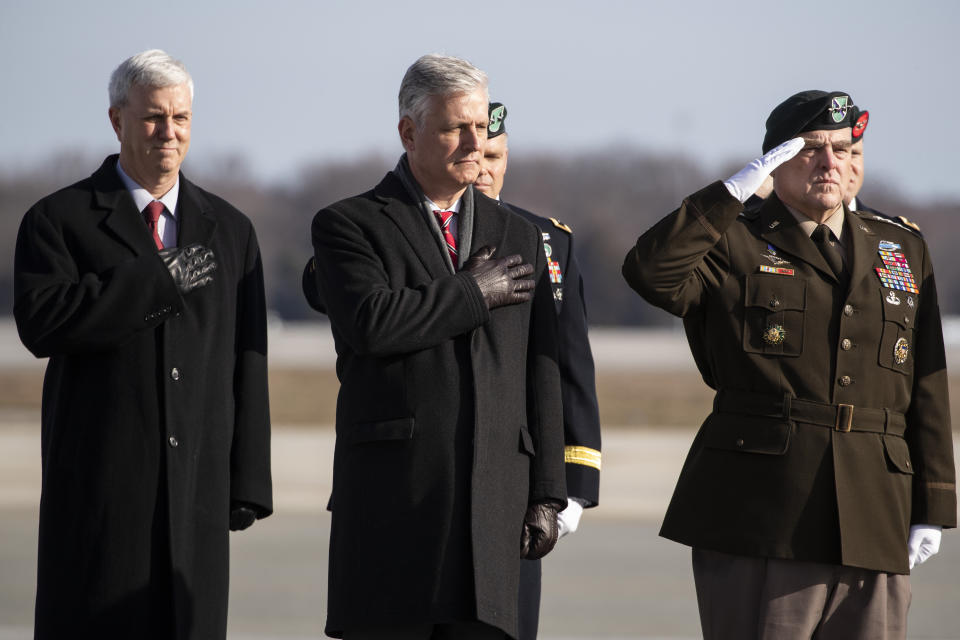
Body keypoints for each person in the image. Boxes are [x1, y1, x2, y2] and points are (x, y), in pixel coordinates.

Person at [622, 90, 955, 639]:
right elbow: (651, 273)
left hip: (877, 510)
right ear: (775, 160)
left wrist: (934, 502)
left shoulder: (901, 246)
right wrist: (730, 194)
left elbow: (926, 382)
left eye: (848, 151)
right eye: (813, 149)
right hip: (764, 512)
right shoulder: (734, 238)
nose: (833, 163)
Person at [13, 49, 273, 640]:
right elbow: (43, 323)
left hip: (199, 491)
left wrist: (248, 482)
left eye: (181, 117)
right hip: (100, 487)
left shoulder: (231, 229)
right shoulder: (57, 220)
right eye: (154, 117)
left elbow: (247, 360)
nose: (169, 132)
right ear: (116, 121)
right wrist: (158, 279)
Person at [310, 54, 567, 639]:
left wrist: (548, 492)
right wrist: (474, 293)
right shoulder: (348, 225)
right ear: (409, 132)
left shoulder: (519, 233)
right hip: (394, 507)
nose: (475, 142)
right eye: (456, 128)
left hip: (493, 511)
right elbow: (373, 323)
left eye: (481, 126)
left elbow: (540, 370)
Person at [473, 102, 602, 640]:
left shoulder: (549, 240)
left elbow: (570, 366)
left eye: (494, 156)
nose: (482, 168)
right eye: (474, 154)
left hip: (520, 481)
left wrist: (574, 485)